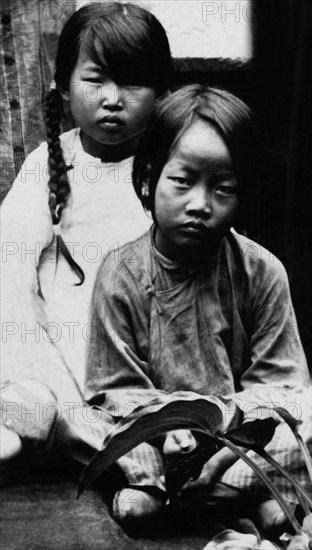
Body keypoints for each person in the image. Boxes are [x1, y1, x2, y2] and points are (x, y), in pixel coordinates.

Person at [83, 85, 312, 524]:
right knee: (77, 423)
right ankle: (233, 494)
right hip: (160, 442)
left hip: (244, 443)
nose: (199, 204)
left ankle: (187, 497)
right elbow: (115, 388)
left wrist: (230, 438)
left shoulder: (262, 270)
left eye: (223, 188)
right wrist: (167, 425)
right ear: (148, 177)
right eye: (182, 181)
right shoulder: (118, 272)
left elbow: (283, 384)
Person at [0, 2, 172, 459]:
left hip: (143, 366)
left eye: (133, 82)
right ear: (62, 85)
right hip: (57, 354)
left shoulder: (171, 174)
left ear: (161, 91)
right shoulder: (47, 166)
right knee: (31, 408)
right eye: (95, 80)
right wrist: (59, 389)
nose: (112, 98)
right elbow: (11, 282)